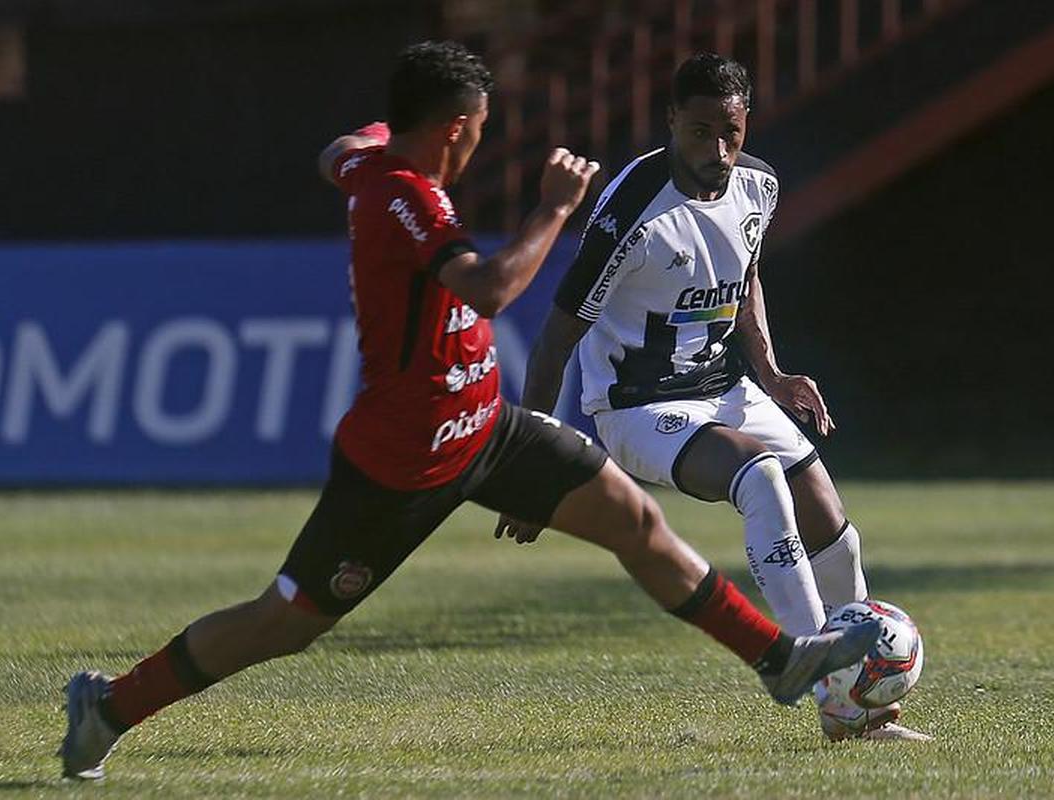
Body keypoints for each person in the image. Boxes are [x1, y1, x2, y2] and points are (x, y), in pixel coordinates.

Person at [58, 42, 880, 779]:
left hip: (485, 424)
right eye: (481, 126)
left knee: (635, 525)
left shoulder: (378, 170)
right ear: (455, 127)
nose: (484, 140)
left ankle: (780, 660)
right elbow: (486, 291)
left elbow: (335, 152)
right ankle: (111, 706)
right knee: (288, 620)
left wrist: (366, 143)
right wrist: (554, 207)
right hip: (407, 456)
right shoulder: (411, 200)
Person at [495, 52, 929, 742]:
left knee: (829, 520)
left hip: (724, 388)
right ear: (670, 122)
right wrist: (532, 465)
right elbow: (555, 340)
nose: (716, 150)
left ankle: (859, 713)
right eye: (698, 132)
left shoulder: (758, 184)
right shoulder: (633, 209)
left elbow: (746, 273)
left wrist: (772, 371)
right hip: (638, 405)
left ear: (745, 122)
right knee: (757, 476)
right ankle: (811, 671)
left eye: (728, 133)